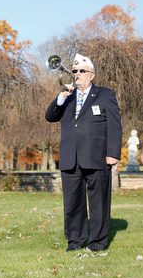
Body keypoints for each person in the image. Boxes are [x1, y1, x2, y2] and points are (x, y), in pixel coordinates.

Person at [46, 54, 122, 252]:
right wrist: (61, 97)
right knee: (72, 205)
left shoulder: (106, 95)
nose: (77, 74)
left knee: (98, 204)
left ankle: (97, 243)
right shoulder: (67, 97)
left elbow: (115, 127)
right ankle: (75, 242)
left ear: (92, 75)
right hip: (70, 158)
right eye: (75, 71)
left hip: (97, 158)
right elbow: (50, 116)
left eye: (82, 71)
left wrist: (113, 153)